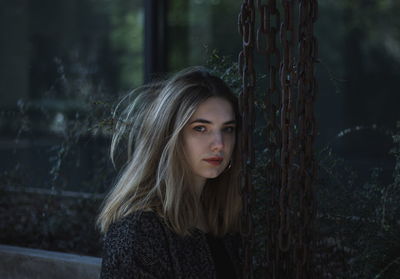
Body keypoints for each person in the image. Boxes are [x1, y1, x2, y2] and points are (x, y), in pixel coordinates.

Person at [97, 66, 242, 279]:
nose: (219, 144)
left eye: (227, 129)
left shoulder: (217, 215)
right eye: (201, 128)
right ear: (168, 135)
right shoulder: (139, 229)